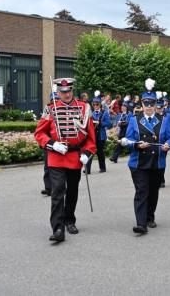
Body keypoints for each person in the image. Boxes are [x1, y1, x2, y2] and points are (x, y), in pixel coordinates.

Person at [34, 78, 96, 242]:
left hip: (75, 156)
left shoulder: (84, 108)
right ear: (58, 92)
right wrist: (52, 144)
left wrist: (87, 153)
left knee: (73, 191)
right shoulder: (51, 108)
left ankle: (70, 220)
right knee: (57, 191)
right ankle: (58, 228)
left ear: (72, 90)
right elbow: (39, 134)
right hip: (56, 157)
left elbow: (90, 136)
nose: (66, 94)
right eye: (63, 92)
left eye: (68, 91)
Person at [123, 81, 170, 234]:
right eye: (146, 103)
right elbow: (127, 140)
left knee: (153, 192)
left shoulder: (164, 120)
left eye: (152, 103)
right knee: (142, 191)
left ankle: (150, 217)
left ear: (155, 104)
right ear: (142, 104)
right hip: (138, 163)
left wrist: (167, 145)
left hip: (157, 162)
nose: (149, 106)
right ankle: (141, 223)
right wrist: (137, 145)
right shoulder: (134, 120)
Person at [86, 93, 112, 174]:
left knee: (100, 152)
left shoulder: (104, 113)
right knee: (90, 151)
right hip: (92, 135)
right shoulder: (91, 113)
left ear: (100, 104)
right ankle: (87, 169)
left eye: (97, 104)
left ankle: (102, 168)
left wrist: (100, 123)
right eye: (94, 104)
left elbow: (109, 124)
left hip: (101, 136)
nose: (95, 106)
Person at [40, 90, 60, 196]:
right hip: (49, 142)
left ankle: (58, 187)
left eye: (56, 100)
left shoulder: (63, 111)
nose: (54, 102)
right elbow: (41, 127)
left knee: (58, 167)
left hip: (59, 143)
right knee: (47, 166)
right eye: (53, 100)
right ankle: (48, 188)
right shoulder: (47, 111)